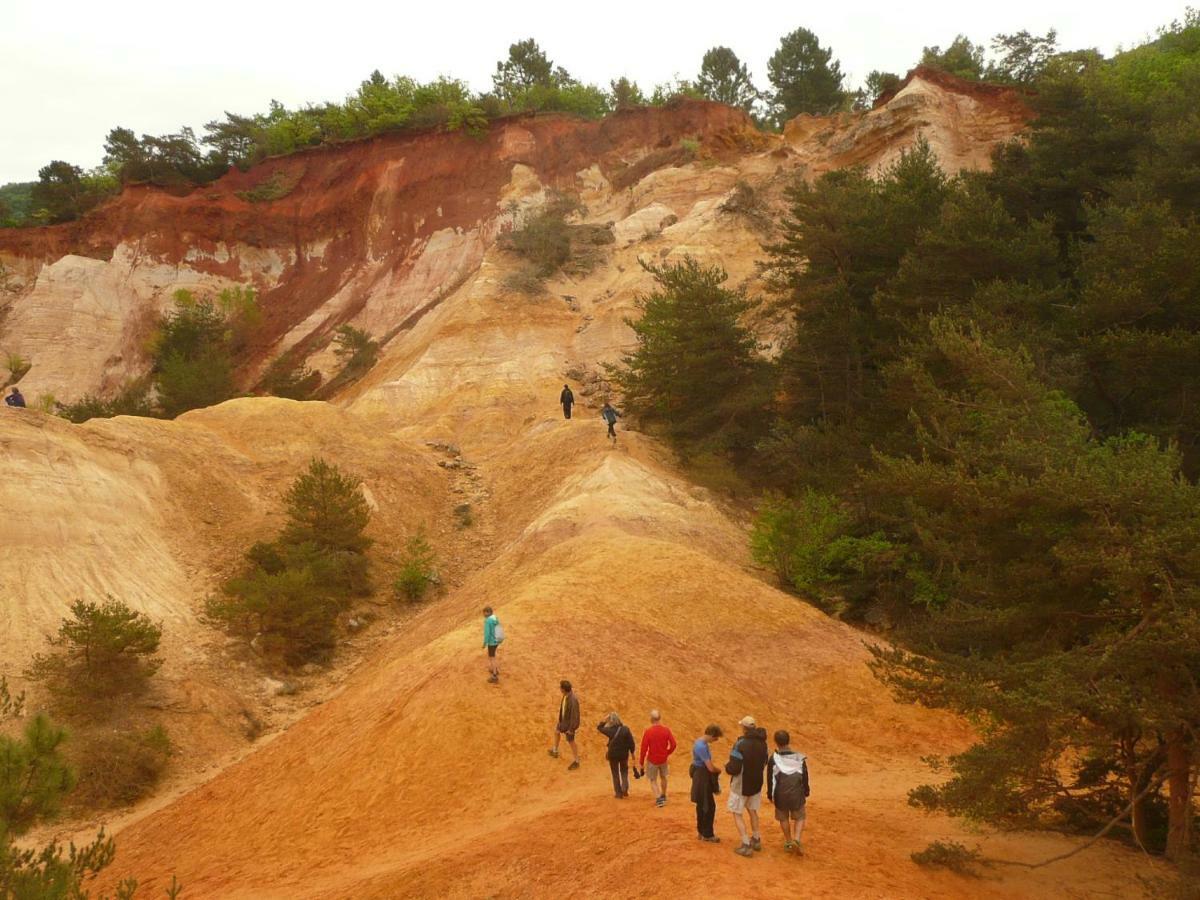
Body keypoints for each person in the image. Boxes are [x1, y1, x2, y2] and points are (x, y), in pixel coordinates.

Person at [725, 715, 769, 858]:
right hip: (756, 784)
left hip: (741, 785)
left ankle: (745, 843)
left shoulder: (740, 744)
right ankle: (756, 839)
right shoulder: (763, 743)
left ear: (744, 728)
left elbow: (734, 768)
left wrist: (727, 768)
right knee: (752, 811)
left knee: (737, 813)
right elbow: (765, 762)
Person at [766, 729, 810, 855]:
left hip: (780, 794)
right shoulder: (799, 758)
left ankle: (789, 841)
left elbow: (770, 778)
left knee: (783, 818)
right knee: (800, 817)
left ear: (776, 742)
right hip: (797, 793)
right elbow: (805, 777)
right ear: (788, 741)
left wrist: (770, 794)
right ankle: (797, 839)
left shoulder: (773, 759)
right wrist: (806, 791)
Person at [690, 724, 723, 842]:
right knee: (708, 806)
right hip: (703, 776)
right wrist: (718, 770)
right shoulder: (702, 747)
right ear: (711, 735)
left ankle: (701, 831)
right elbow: (710, 767)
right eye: (715, 738)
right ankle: (707, 834)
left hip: (700, 775)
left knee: (701, 805)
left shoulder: (700, 743)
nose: (716, 740)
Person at [639, 709, 678, 807]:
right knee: (663, 777)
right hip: (663, 759)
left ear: (651, 719)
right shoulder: (666, 730)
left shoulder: (648, 732)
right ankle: (663, 795)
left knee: (653, 780)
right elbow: (673, 744)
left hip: (652, 760)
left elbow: (643, 748)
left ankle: (658, 798)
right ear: (659, 718)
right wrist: (667, 753)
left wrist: (641, 762)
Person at [597, 713, 637, 798]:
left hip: (613, 755)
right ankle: (625, 788)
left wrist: (605, 720)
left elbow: (599, 728)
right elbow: (631, 742)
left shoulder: (610, 730)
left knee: (615, 773)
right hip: (623, 754)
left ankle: (618, 793)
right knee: (624, 771)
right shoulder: (625, 729)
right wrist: (632, 752)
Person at [548, 680, 581, 770]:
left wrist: (571, 729)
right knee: (556, 732)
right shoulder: (566, 695)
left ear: (563, 689)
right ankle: (555, 750)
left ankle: (576, 761)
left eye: (560, 688)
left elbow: (575, 716)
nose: (559, 689)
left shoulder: (573, 700)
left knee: (571, 742)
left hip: (569, 725)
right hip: (563, 722)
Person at [482, 606, 501, 684]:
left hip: (491, 642)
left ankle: (494, 675)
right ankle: (494, 669)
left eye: (484, 612)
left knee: (492, 657)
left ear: (488, 612)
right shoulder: (495, 618)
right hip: (496, 640)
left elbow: (487, 634)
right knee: (492, 656)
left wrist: (484, 643)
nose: (483, 614)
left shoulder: (488, 621)